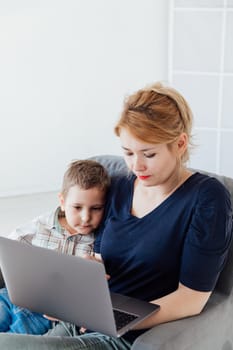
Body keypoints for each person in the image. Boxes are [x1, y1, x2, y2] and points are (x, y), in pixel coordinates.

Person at [0, 81, 232, 349]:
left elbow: (192, 299)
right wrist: (81, 279)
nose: (136, 165)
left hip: (121, 334)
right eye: (128, 153)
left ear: (179, 144)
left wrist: (114, 319)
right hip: (83, 316)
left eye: (149, 154)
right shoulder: (121, 185)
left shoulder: (207, 198)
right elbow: (102, 258)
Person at [0, 159, 110, 335]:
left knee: (12, 339)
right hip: (13, 297)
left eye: (96, 208)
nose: (85, 217)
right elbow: (8, 250)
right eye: (77, 207)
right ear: (62, 202)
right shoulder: (41, 225)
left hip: (46, 316)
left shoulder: (100, 242)